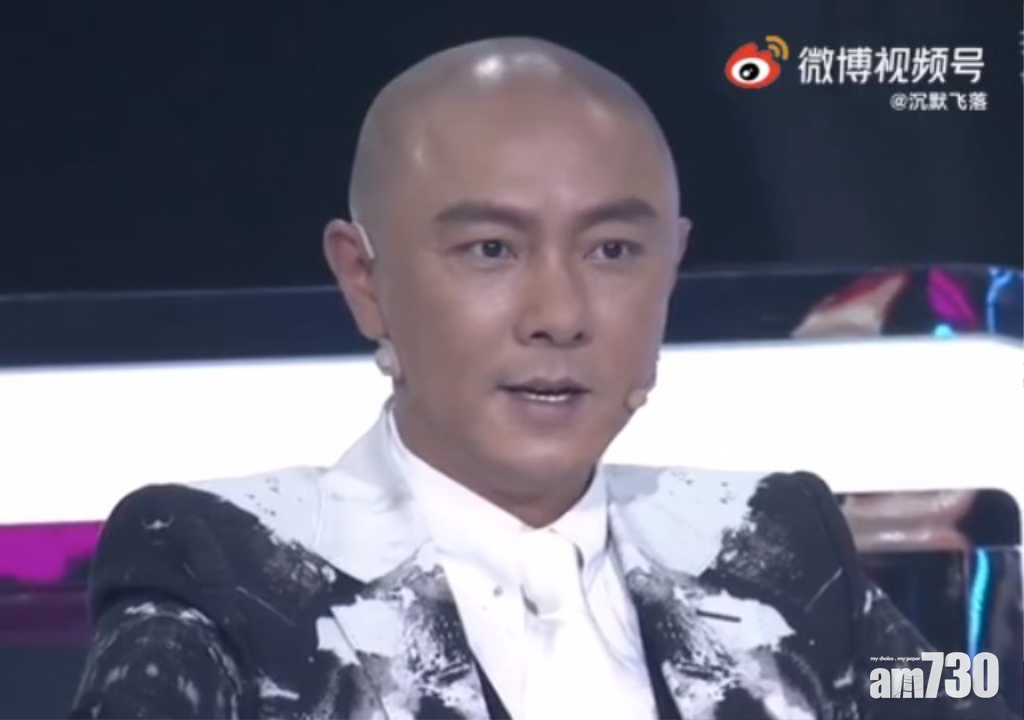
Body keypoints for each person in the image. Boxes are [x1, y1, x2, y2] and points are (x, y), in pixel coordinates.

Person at [70, 38, 1017, 720]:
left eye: (613, 250)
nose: (559, 313)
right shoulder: (225, 568)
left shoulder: (780, 542)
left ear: (672, 268)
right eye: (491, 248)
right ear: (364, 279)